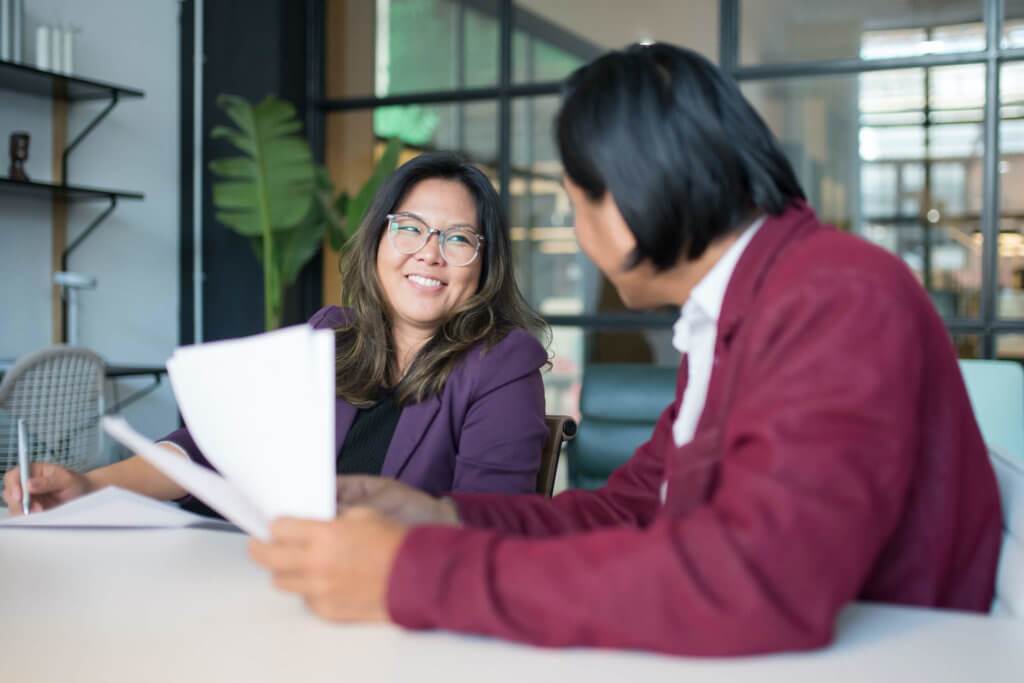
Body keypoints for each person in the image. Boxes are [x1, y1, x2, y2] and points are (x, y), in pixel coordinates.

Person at [245, 44, 1002, 657]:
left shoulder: (836, 296)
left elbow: (757, 585)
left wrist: (412, 573)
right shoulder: (737, 311)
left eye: (575, 203)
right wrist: (439, 515)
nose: (578, 234)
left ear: (629, 205)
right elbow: (629, 510)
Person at [3, 153, 550, 513]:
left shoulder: (502, 363)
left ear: (484, 264)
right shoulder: (330, 336)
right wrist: (91, 488)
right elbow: (207, 448)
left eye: (458, 239)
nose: (428, 252)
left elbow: (488, 519)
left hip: (391, 603)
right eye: (409, 228)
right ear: (378, 241)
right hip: (278, 578)